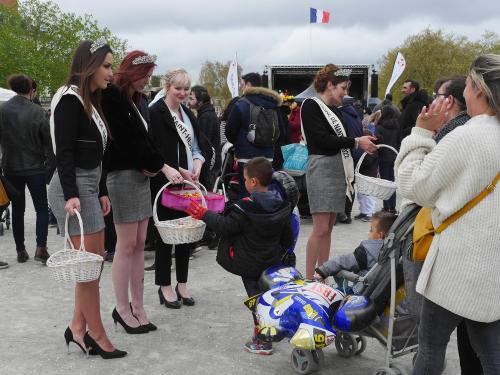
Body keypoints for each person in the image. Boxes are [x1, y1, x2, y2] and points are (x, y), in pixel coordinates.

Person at [395, 54, 500, 374]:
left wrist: (421, 134)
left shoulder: (467, 136)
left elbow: (414, 187)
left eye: (467, 84)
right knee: (491, 354)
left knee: (430, 347)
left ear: (478, 89)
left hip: (454, 266)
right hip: (493, 267)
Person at [48, 39, 126, 359]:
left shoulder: (90, 101)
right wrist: (71, 195)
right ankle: (96, 334)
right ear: (90, 65)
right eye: (106, 66)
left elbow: (97, 153)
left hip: (89, 187)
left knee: (91, 264)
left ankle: (77, 329)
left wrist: (102, 189)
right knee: (91, 269)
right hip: (73, 190)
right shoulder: (69, 99)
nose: (111, 72)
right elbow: (64, 152)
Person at [101, 50, 179, 333]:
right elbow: (126, 139)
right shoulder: (112, 97)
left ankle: (137, 305)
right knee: (126, 245)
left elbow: (145, 140)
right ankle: (122, 308)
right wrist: (157, 165)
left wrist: (158, 164)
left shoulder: (136, 100)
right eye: (145, 75)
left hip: (138, 176)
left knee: (138, 242)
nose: (148, 81)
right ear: (132, 73)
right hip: (122, 176)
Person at [186, 157, 293, 355]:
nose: (243, 182)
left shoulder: (245, 208)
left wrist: (204, 214)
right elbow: (287, 236)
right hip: (273, 262)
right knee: (274, 297)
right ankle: (279, 328)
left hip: (250, 264)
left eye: (245, 179)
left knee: (257, 302)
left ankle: (262, 340)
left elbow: (226, 227)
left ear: (253, 181)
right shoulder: (281, 203)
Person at [301, 64, 378, 279]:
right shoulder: (311, 105)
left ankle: (322, 274)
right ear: (330, 85)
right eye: (343, 88)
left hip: (337, 168)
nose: (345, 93)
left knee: (329, 227)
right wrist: (355, 141)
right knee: (320, 228)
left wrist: (361, 137)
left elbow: (340, 140)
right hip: (322, 168)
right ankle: (309, 279)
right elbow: (322, 140)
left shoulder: (336, 110)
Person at [428, 74, 481, 375]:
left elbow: (419, 188)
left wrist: (420, 136)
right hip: (479, 252)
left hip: (461, 251)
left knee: (434, 341)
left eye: (437, 94)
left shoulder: (457, 133)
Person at [149, 68, 210, 309]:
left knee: (187, 233)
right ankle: (164, 285)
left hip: (187, 183)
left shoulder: (188, 115)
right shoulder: (155, 112)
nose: (183, 93)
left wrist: (196, 165)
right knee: (166, 235)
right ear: (167, 87)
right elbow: (152, 149)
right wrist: (171, 168)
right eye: (178, 88)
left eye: (186, 89)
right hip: (164, 181)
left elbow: (196, 147)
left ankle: (182, 283)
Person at [0, 74, 54, 263]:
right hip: (35, 168)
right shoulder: (37, 111)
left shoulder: (2, 109)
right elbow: (48, 141)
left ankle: (20, 249)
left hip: (11, 167)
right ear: (30, 89)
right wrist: (49, 164)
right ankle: (41, 247)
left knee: (18, 209)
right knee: (41, 209)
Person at [225, 72, 286, 197]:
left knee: (246, 195)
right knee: (265, 192)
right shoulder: (273, 104)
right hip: (268, 158)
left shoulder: (241, 103)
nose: (242, 88)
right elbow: (282, 132)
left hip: (246, 158)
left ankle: (247, 216)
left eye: (243, 84)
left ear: (248, 84)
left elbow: (229, 131)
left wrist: (239, 144)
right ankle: (265, 216)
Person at [314, 210, 397, 290]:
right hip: (388, 290)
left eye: (371, 230)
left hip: (365, 291)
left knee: (340, 271)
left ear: (380, 235)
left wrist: (322, 271)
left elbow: (343, 261)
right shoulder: (398, 250)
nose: (369, 233)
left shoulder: (366, 251)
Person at [188, 85, 220, 188]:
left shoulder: (206, 117)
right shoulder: (205, 114)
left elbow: (203, 144)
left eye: (191, 98)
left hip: (209, 164)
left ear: (200, 101)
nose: (188, 101)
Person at [375, 105, 401, 212]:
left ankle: (386, 206)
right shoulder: (398, 126)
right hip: (395, 157)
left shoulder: (379, 127)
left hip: (383, 158)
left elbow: (377, 142)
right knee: (392, 183)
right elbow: (400, 141)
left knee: (385, 183)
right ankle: (393, 207)